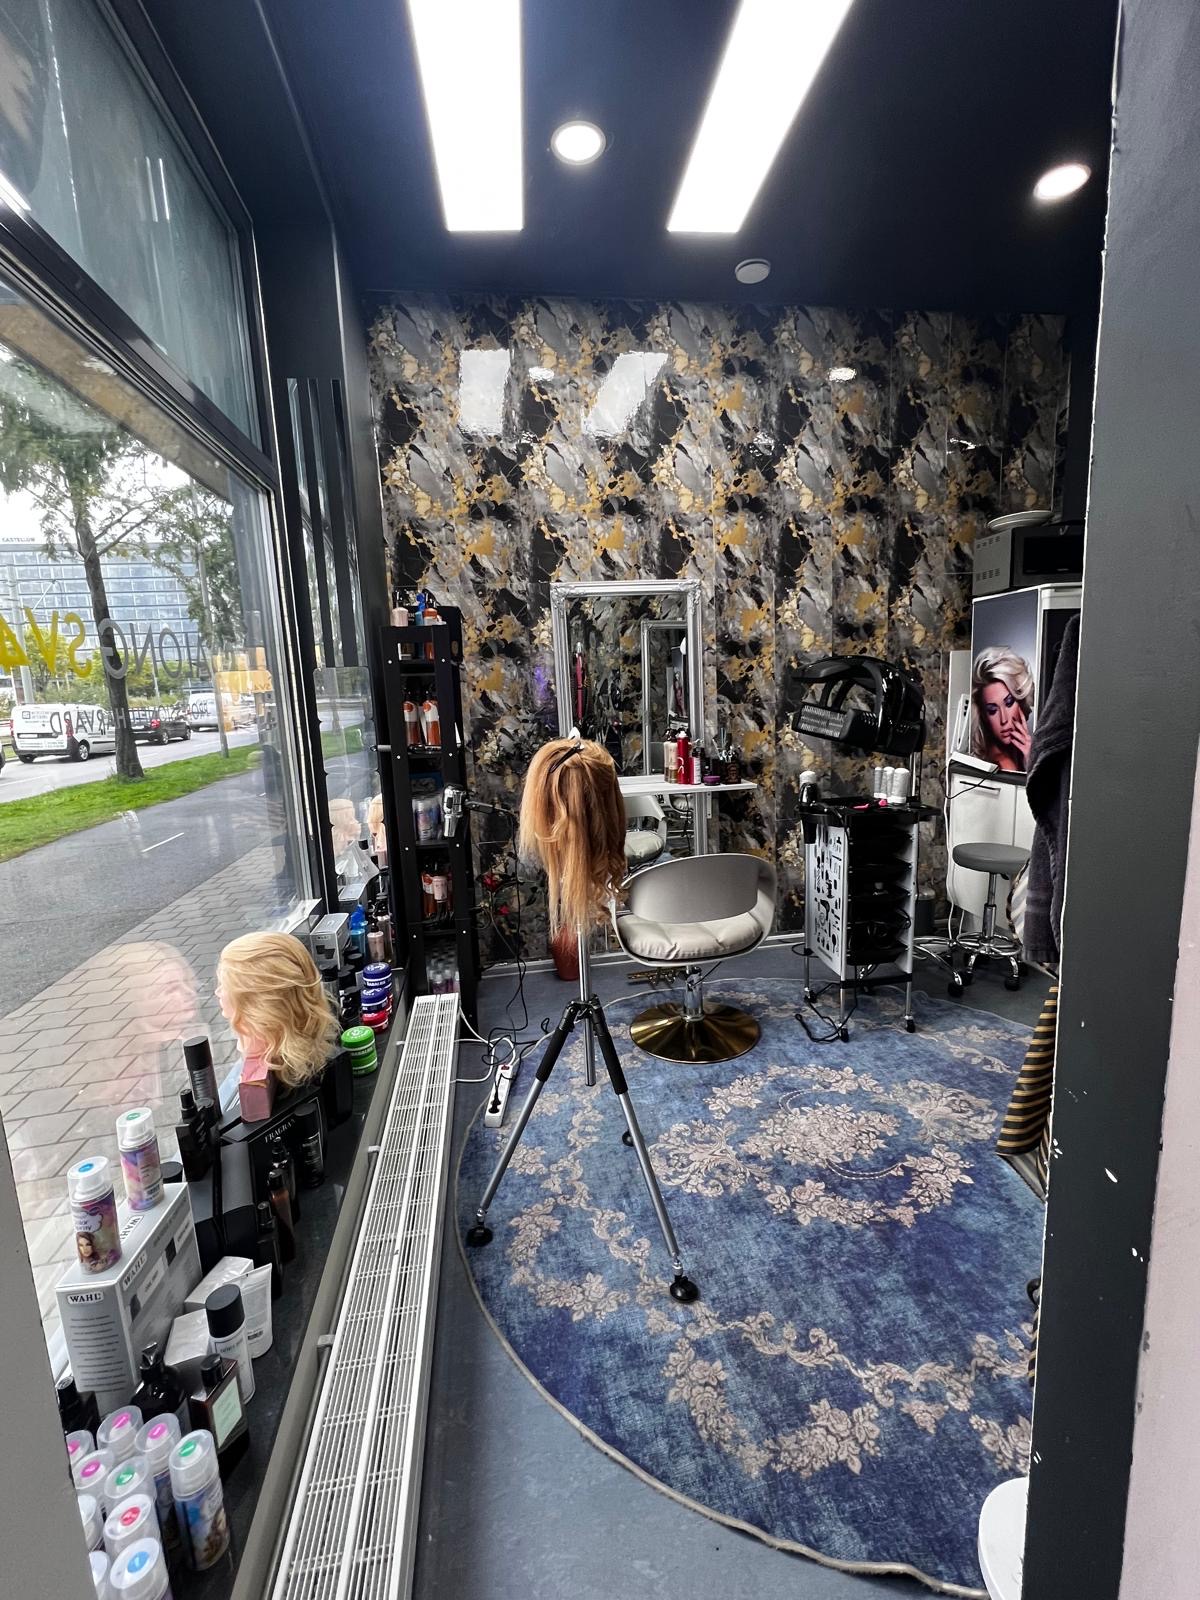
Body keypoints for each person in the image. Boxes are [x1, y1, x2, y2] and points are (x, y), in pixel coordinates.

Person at [970, 646, 1035, 772]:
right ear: (984, 715)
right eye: (992, 710)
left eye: (1009, 703)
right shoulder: (1005, 764)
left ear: (1021, 701)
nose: (1004, 720)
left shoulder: (1018, 755)